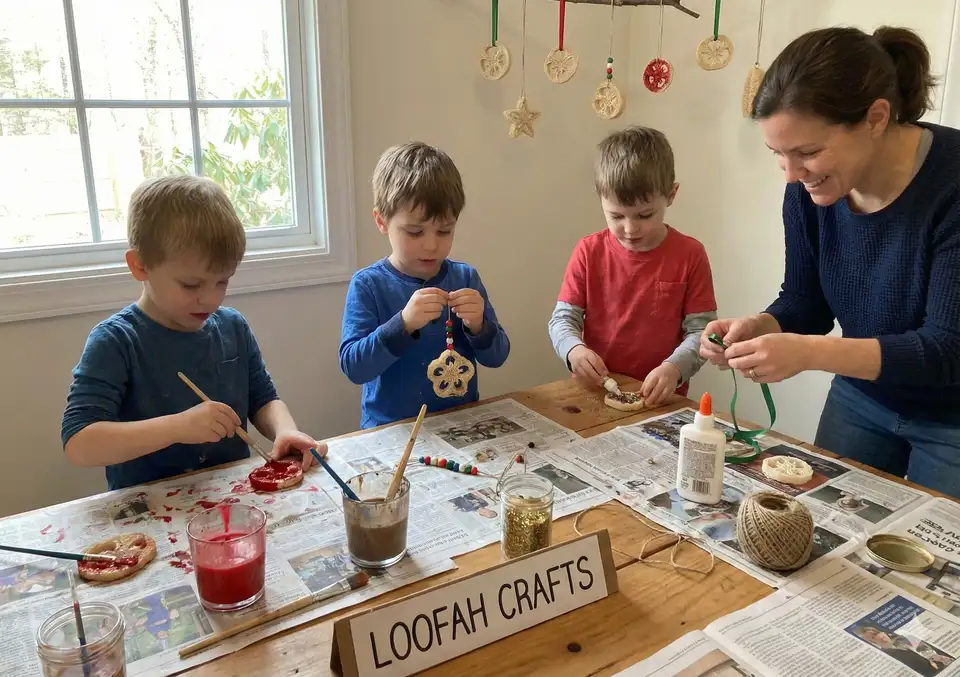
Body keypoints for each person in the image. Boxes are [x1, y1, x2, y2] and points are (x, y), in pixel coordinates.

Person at [699, 26, 960, 497]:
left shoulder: (953, 184)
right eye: (778, 155)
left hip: (953, 418)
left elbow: (947, 350)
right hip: (863, 397)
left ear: (877, 117)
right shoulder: (805, 192)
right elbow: (806, 302)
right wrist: (763, 325)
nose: (792, 174)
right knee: (818, 526)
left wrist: (808, 353)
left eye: (808, 152)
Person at [61, 176, 325, 490]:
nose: (211, 299)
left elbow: (263, 399)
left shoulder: (232, 327)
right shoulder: (116, 342)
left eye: (222, 281)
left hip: (233, 499)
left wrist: (285, 431)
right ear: (140, 266)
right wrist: (177, 427)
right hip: (151, 514)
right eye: (191, 285)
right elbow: (79, 442)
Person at [339, 141, 510, 428]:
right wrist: (403, 324)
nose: (431, 245)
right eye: (415, 231)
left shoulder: (465, 278)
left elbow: (497, 357)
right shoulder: (368, 285)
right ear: (382, 222)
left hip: (461, 425)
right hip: (390, 429)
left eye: (445, 230)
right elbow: (354, 368)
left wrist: (479, 326)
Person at [548, 126, 718, 406]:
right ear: (600, 197)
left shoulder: (691, 254)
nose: (629, 229)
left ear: (671, 195)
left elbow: (701, 332)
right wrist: (573, 350)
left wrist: (674, 369)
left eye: (644, 215)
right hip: (593, 393)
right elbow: (563, 320)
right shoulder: (588, 251)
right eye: (615, 216)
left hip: (660, 398)